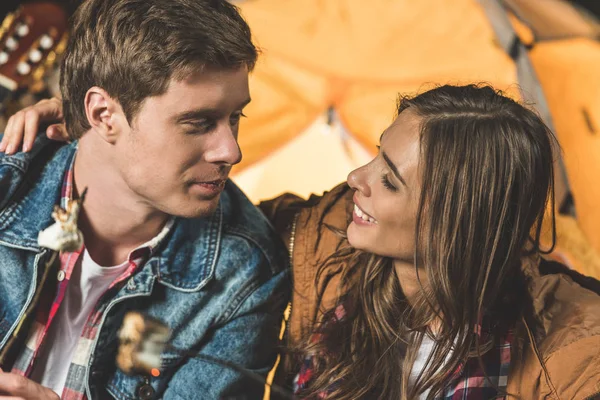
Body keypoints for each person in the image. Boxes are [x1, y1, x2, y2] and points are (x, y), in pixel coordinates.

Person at [6, 85, 600, 398]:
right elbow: (204, 230)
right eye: (374, 156)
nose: (356, 179)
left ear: (458, 225)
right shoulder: (325, 243)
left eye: (389, 180)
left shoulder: (574, 360)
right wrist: (106, 135)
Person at [0, 0, 288, 399]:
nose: (230, 151)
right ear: (104, 115)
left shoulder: (245, 273)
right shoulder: (8, 184)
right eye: (199, 122)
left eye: (235, 117)